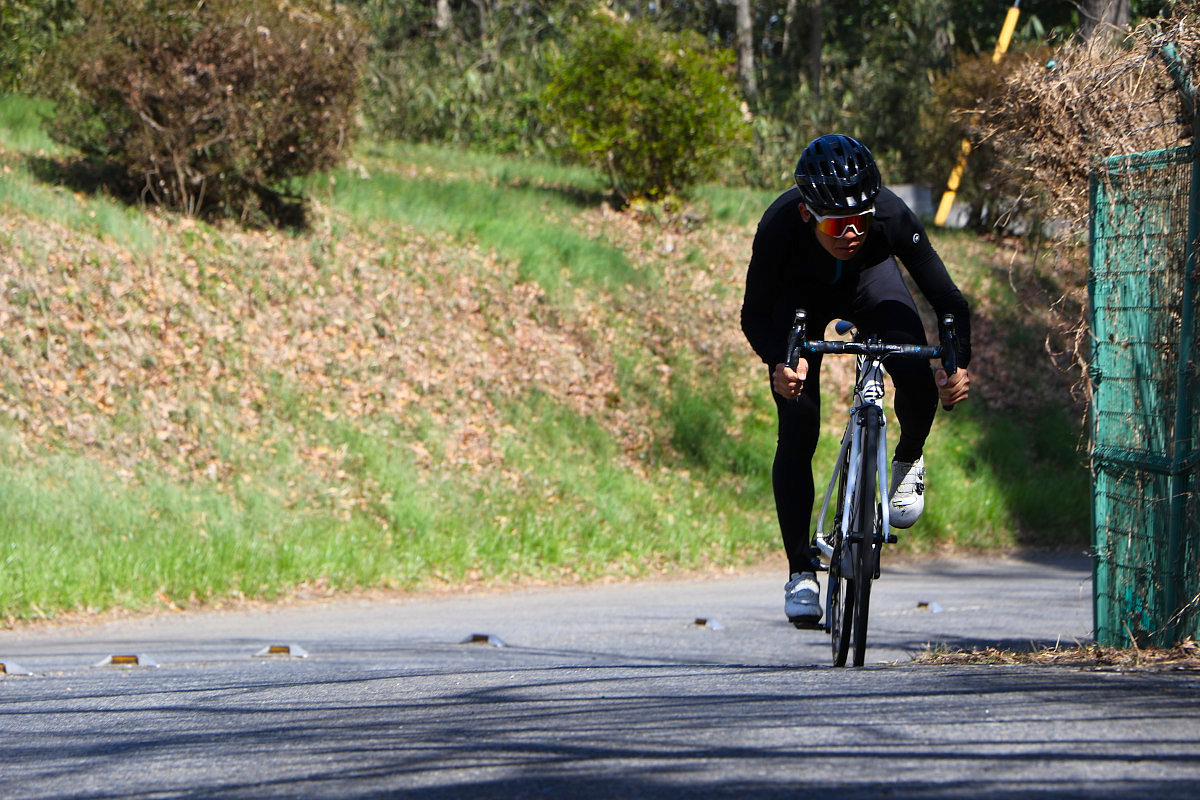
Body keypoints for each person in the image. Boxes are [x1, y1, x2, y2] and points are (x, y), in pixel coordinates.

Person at [740, 134, 972, 628]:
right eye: (836, 223)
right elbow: (755, 315)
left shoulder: (889, 214)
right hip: (801, 297)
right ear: (808, 214)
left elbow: (949, 301)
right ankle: (801, 570)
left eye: (860, 221)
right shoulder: (781, 223)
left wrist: (956, 366)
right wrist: (777, 365)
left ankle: (908, 458)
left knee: (914, 373)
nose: (850, 233)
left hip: (871, 284)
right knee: (798, 425)